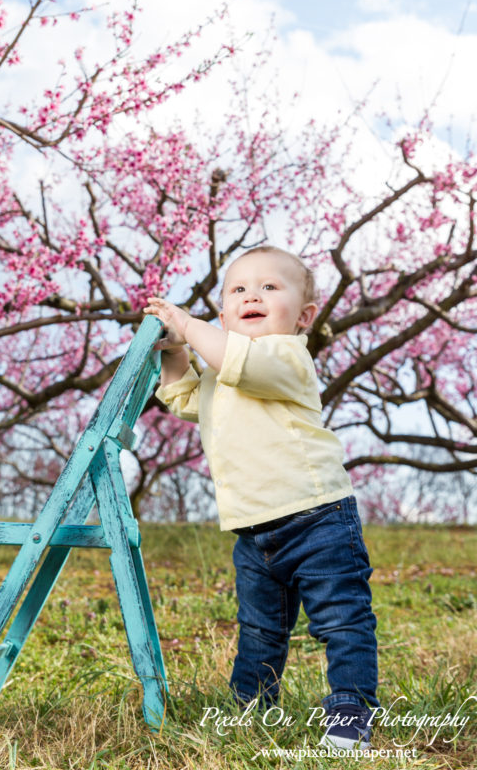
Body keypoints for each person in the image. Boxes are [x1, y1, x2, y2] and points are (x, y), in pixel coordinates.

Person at [143, 245, 378, 750]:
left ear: (303, 316)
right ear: (224, 313)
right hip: (254, 530)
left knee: (341, 618)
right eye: (238, 290)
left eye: (270, 288)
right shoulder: (223, 366)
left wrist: (187, 323)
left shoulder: (287, 356)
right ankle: (249, 707)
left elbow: (234, 359)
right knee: (259, 630)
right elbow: (184, 395)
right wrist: (176, 349)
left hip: (318, 519)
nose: (253, 295)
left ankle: (352, 709)